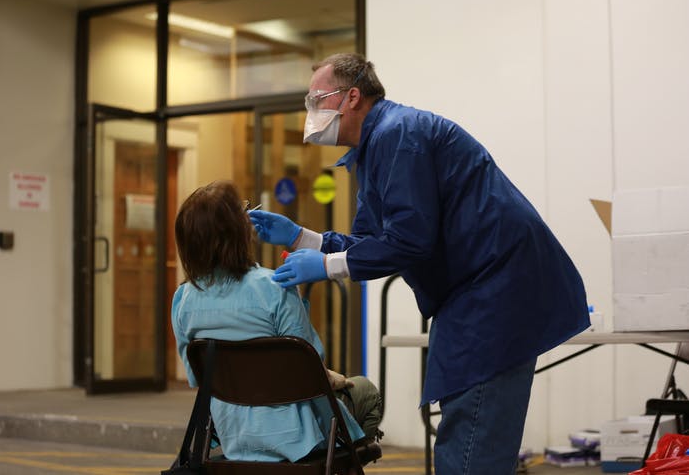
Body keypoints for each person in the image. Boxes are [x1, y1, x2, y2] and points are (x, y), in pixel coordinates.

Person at [249, 53, 590, 474]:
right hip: (474, 293)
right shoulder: (376, 147)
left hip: (496, 291)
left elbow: (409, 241)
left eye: (317, 99)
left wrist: (328, 267)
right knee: (464, 431)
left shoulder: (398, 134)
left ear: (352, 96)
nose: (311, 112)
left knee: (471, 443)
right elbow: (376, 242)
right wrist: (303, 238)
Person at [171, 179, 383, 463]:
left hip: (233, 436)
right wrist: (335, 378)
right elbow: (311, 370)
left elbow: (198, 376)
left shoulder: (183, 299)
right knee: (367, 393)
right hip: (298, 438)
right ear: (240, 231)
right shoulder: (276, 286)